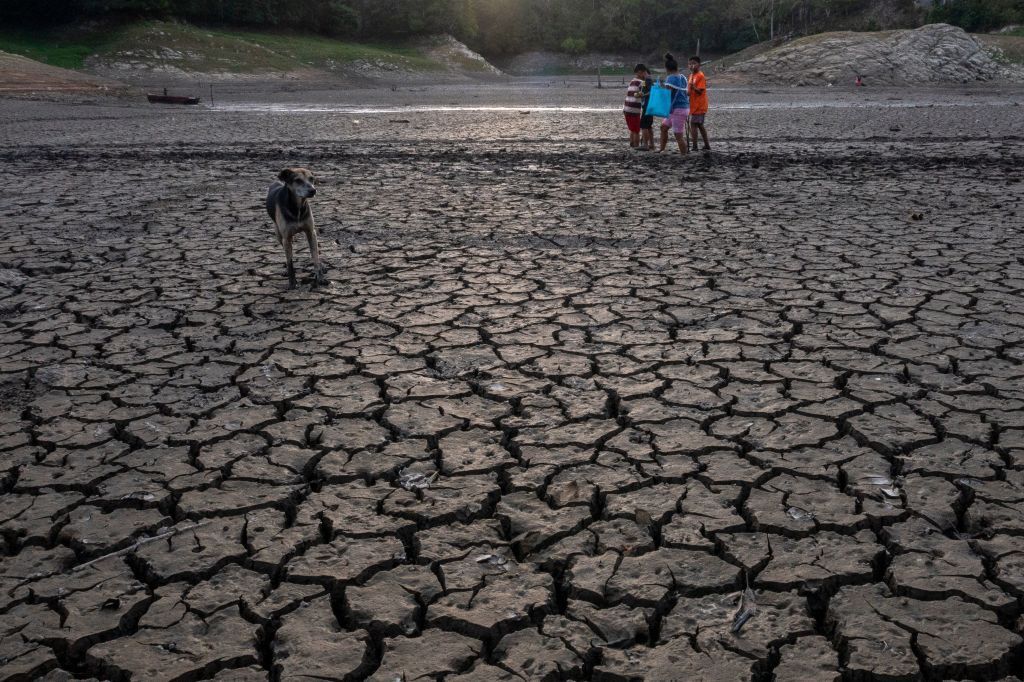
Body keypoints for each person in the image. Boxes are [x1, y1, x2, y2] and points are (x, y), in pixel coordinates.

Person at [658, 53, 690, 156]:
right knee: (663, 127)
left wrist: (658, 90)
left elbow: (667, 94)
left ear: (667, 68)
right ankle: (661, 149)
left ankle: (684, 155)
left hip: (677, 109)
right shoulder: (683, 77)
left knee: (678, 135)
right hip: (681, 108)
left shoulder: (670, 78)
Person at [687, 56, 710, 152]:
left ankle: (695, 146)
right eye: (690, 64)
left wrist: (693, 87)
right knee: (700, 125)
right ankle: (707, 145)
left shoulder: (700, 76)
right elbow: (688, 92)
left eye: (694, 63)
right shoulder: (691, 76)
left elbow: (700, 91)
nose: (692, 66)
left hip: (699, 105)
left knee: (693, 124)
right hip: (693, 105)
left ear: (699, 65)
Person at [623, 64, 645, 148]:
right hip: (634, 109)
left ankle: (632, 145)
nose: (645, 75)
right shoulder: (642, 82)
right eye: (644, 73)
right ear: (640, 72)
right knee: (636, 130)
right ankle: (636, 146)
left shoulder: (632, 81)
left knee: (632, 129)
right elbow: (643, 93)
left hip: (626, 108)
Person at [639, 66, 655, 150]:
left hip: (648, 105)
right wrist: (640, 93)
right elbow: (641, 89)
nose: (639, 75)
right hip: (648, 105)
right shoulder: (644, 80)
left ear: (644, 72)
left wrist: (643, 95)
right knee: (649, 126)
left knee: (644, 125)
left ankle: (645, 145)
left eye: (640, 73)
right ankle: (651, 144)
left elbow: (652, 91)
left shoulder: (648, 79)